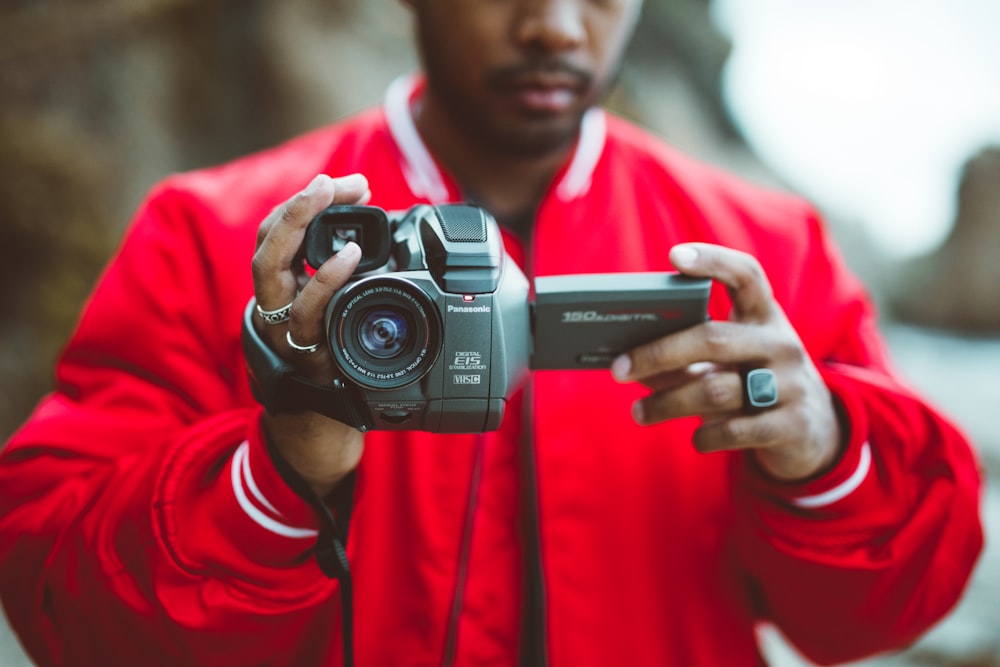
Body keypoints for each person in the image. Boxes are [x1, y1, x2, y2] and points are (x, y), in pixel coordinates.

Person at [0, 1, 984, 665]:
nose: (553, 26)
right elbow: (55, 603)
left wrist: (825, 454)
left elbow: (881, 613)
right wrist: (279, 471)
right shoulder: (215, 232)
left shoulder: (762, 249)